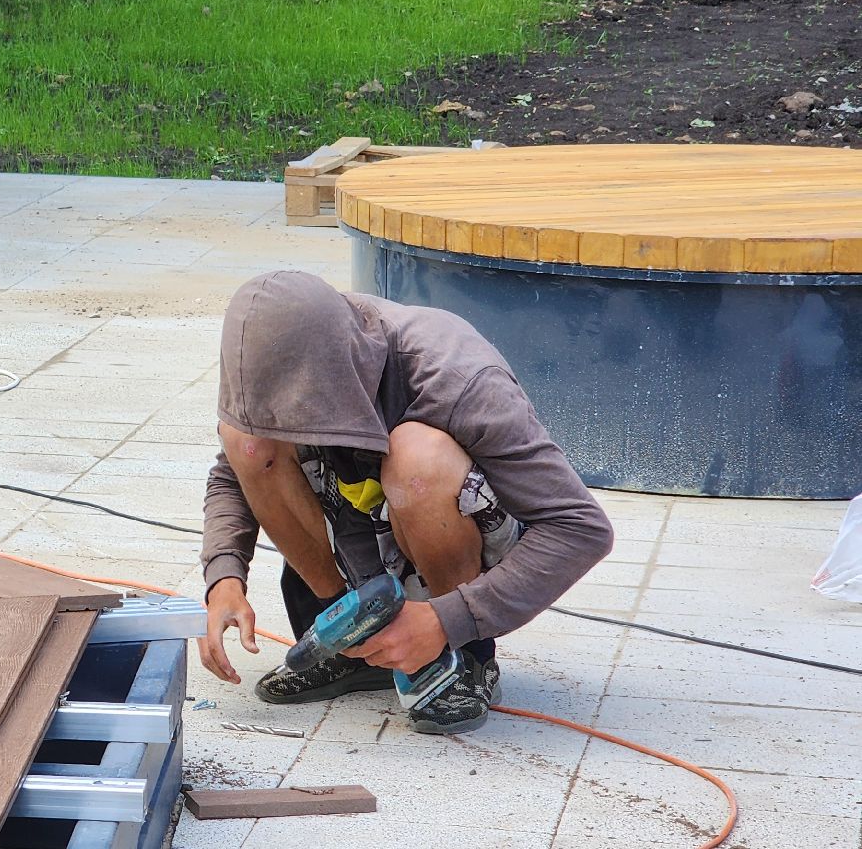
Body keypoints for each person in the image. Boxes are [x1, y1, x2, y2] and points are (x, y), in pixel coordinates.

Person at [198, 270, 613, 734]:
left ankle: (459, 659)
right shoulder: (276, 352)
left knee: (418, 459)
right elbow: (237, 471)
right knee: (246, 441)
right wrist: (224, 577)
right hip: (360, 535)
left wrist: (447, 619)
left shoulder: (458, 379)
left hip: (447, 535)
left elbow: (579, 527)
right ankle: (352, 641)